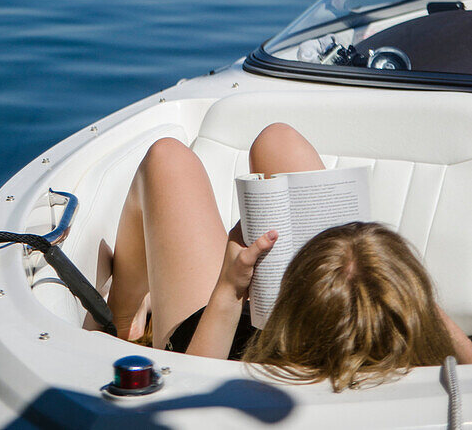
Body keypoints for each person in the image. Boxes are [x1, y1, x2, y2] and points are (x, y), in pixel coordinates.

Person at [106, 123, 472, 391]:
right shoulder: (438, 379)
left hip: (217, 351)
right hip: (344, 319)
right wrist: (396, 285)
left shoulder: (264, 386)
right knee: (276, 139)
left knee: (166, 157)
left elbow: (192, 387)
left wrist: (229, 290)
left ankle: (121, 323)